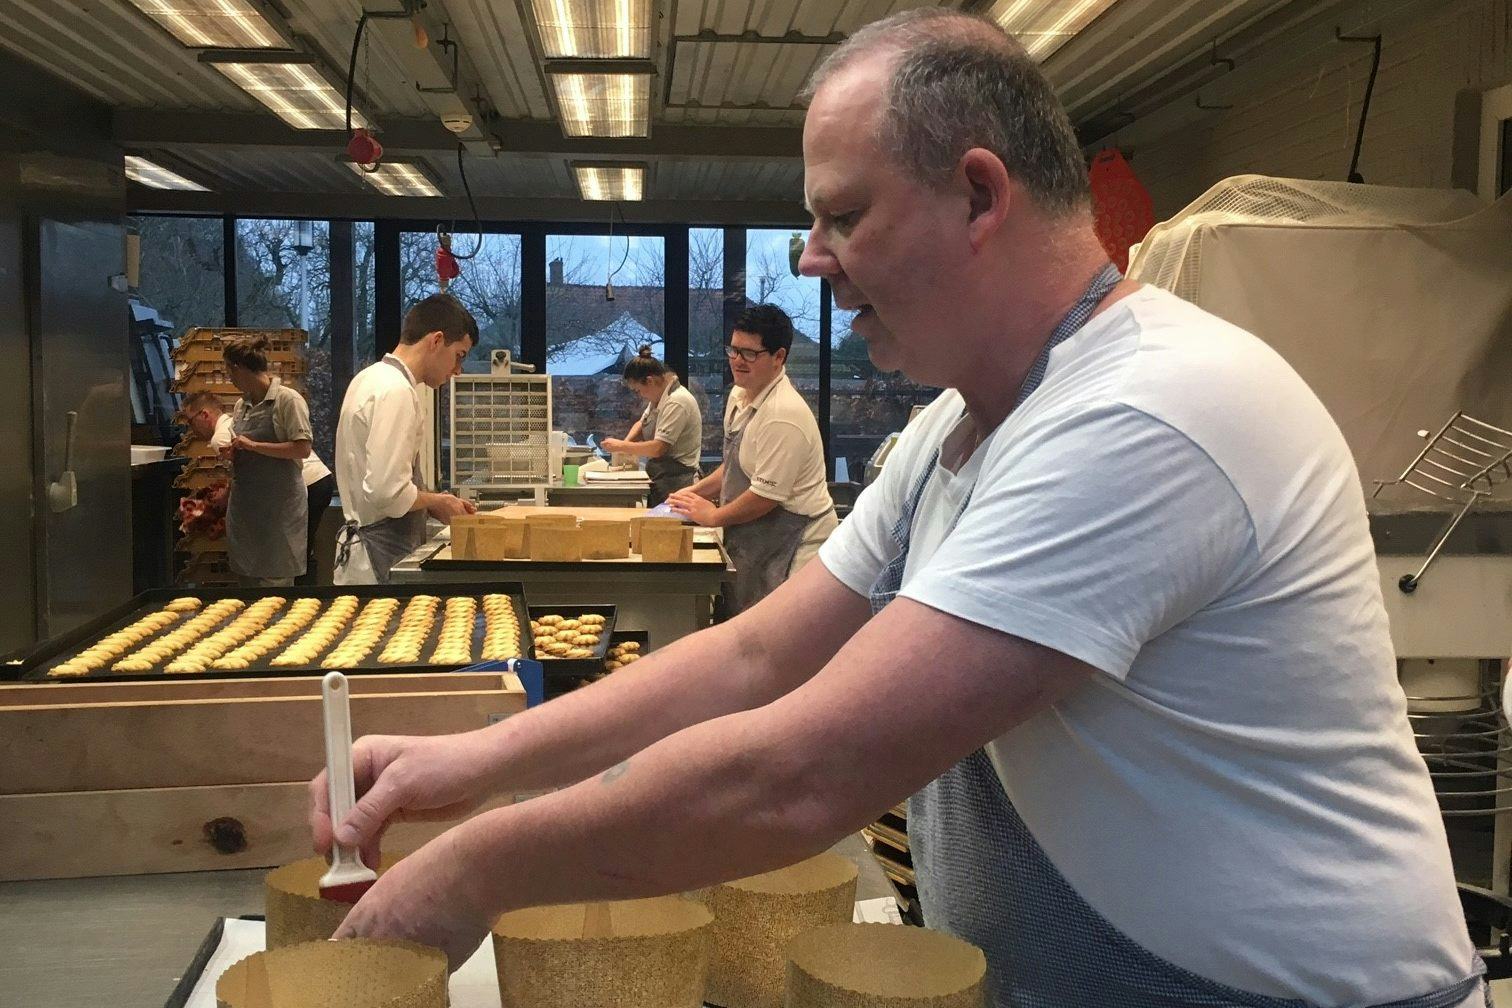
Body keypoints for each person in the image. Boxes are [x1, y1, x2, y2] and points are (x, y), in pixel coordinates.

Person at [308, 11, 1484, 1007]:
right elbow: (759, 654)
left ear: (979, 194)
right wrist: (470, 763)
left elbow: (801, 773)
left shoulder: (1151, 414)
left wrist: (475, 867)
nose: (810, 259)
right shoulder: (961, 424)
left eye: (843, 216)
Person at [667, 305, 836, 612]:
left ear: (779, 357)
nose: (737, 361)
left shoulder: (783, 414)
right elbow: (734, 468)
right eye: (733, 350)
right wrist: (687, 496)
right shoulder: (740, 395)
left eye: (749, 354)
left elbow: (765, 497)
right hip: (754, 539)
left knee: (779, 637)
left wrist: (714, 516)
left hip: (793, 547)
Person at [333, 293, 478, 585]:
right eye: (459, 356)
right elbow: (387, 491)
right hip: (378, 562)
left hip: (363, 556)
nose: (457, 370)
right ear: (436, 341)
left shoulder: (370, 378)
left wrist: (431, 504)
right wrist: (437, 499)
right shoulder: (396, 391)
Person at [183, 388, 334, 585]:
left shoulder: (220, 436)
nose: (190, 428)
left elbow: (244, 476)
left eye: (190, 421)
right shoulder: (234, 423)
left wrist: (224, 502)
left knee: (292, 556)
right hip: (318, 479)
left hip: (307, 483)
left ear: (204, 415)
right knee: (300, 551)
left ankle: (300, 603)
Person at [219, 335, 311, 588]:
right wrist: (235, 451)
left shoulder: (287, 400)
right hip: (247, 509)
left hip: (278, 509)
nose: (230, 379)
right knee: (246, 585)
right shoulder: (242, 405)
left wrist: (255, 446)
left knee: (276, 586)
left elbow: (302, 449)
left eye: (229, 371)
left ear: (237, 368)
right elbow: (245, 445)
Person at [598, 346, 702, 507]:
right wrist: (625, 445)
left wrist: (623, 446)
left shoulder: (677, 401)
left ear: (650, 381)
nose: (639, 395)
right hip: (661, 476)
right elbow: (642, 423)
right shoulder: (660, 397)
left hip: (677, 479)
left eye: (638, 390)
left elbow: (658, 448)